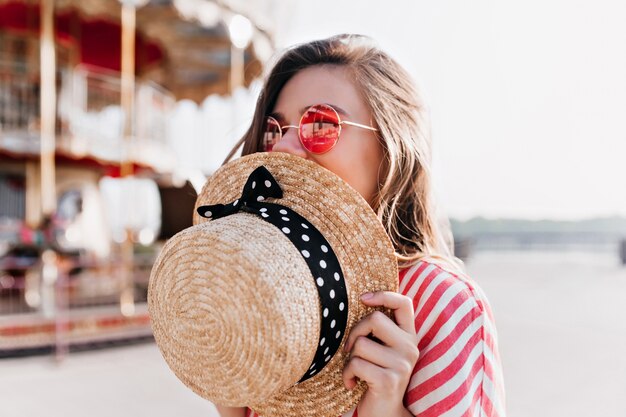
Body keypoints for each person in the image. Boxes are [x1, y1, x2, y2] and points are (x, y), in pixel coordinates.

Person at [216, 34, 506, 417]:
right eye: (274, 129)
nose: (283, 147)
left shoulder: (440, 303)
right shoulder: (265, 288)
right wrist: (228, 391)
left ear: (390, 149)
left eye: (319, 123)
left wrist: (387, 409)